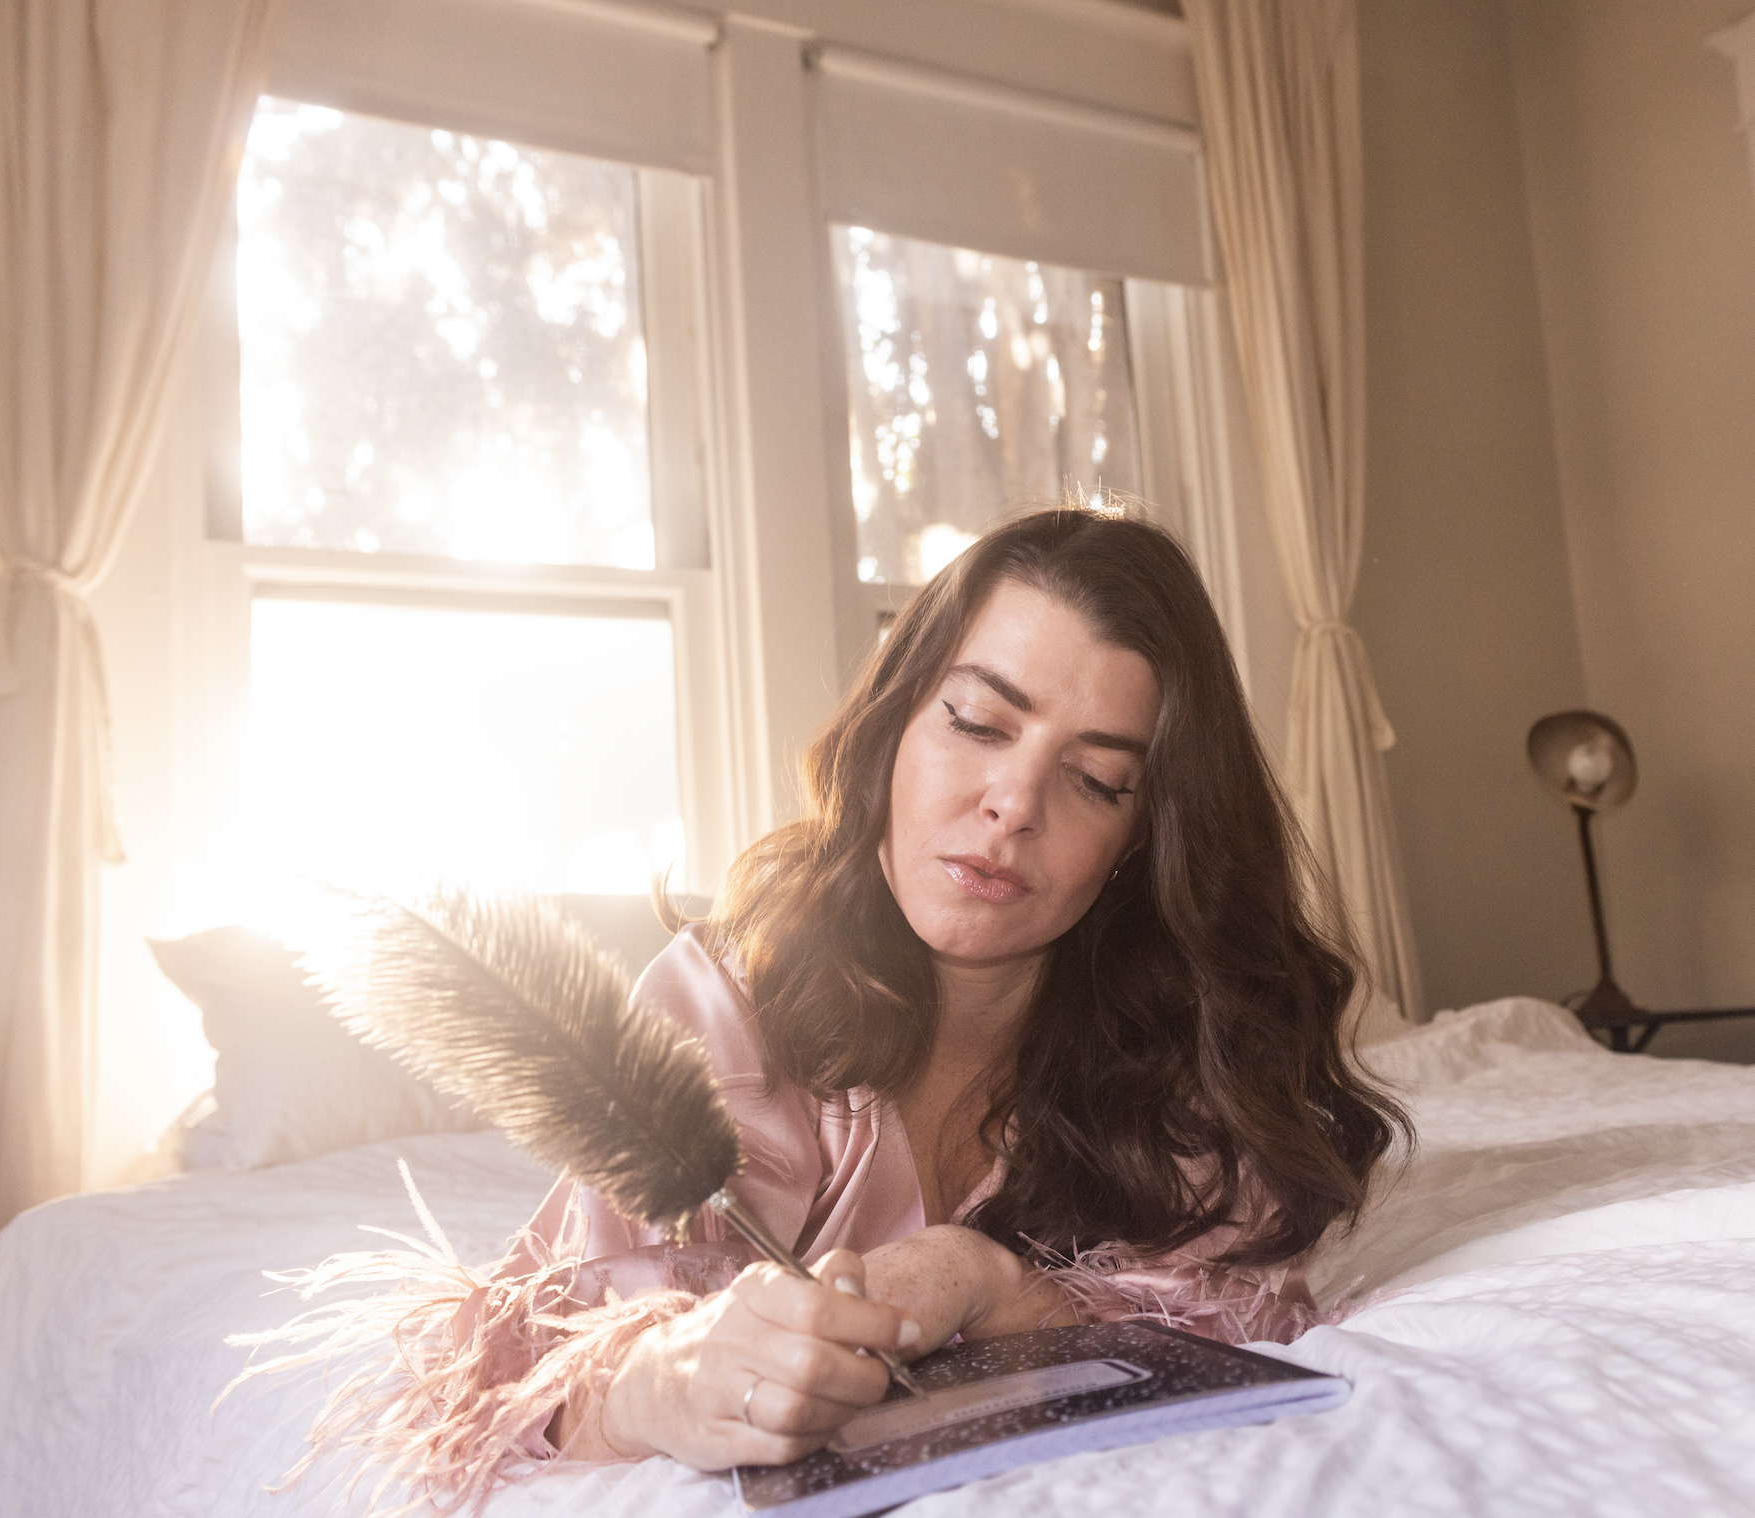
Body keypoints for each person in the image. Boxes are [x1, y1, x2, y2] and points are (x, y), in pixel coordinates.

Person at [288, 504, 1406, 1507]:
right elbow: (537, 1370)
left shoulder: (1180, 1051)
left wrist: (992, 1284)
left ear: (1137, 842)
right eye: (977, 723)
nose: (1012, 804)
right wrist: (657, 1391)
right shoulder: (718, 1012)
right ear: (893, 732)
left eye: (1096, 779)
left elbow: (1244, 1314)